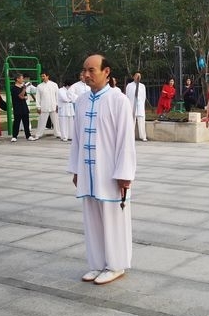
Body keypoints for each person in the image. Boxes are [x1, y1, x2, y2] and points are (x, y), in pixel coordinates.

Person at [68, 54, 136, 286]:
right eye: (84, 70)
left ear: (106, 72)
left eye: (92, 70)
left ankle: (116, 265)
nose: (86, 75)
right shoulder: (81, 101)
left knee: (113, 219)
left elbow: (125, 140)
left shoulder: (119, 100)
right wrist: (76, 169)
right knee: (92, 219)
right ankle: (97, 263)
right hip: (87, 172)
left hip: (111, 174)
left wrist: (124, 174)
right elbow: (77, 139)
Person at [10, 74, 36, 142]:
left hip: (24, 107)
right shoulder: (14, 88)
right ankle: (14, 136)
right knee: (16, 123)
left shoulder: (22, 87)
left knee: (26, 122)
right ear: (17, 79)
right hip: (17, 108)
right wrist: (24, 89)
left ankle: (28, 136)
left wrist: (23, 93)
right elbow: (21, 96)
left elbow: (26, 97)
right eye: (22, 78)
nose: (23, 80)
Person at [34, 72, 60, 139]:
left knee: (56, 121)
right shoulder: (39, 86)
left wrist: (57, 105)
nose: (42, 77)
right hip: (44, 106)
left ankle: (58, 134)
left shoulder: (54, 84)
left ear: (47, 76)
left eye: (43, 76)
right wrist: (38, 107)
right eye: (41, 76)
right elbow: (37, 97)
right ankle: (38, 134)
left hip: (53, 106)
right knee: (41, 122)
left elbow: (57, 96)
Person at [125, 72, 147, 141]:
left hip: (140, 105)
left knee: (141, 121)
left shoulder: (142, 86)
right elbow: (127, 96)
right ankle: (130, 136)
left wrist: (142, 104)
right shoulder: (129, 85)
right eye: (137, 76)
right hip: (131, 105)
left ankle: (143, 136)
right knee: (131, 122)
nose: (138, 77)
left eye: (139, 76)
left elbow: (144, 96)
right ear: (134, 77)